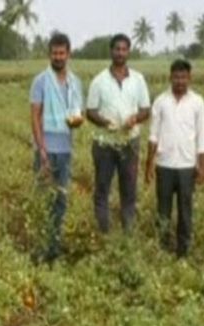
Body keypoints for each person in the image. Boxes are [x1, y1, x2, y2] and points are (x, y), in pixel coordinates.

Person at [86, 34, 151, 233]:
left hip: (129, 143)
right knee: (102, 189)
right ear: (111, 51)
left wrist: (135, 119)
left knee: (129, 191)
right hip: (104, 143)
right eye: (117, 49)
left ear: (128, 52)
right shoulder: (99, 81)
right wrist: (104, 122)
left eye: (124, 49)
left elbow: (146, 110)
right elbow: (90, 111)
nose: (120, 53)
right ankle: (103, 232)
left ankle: (127, 234)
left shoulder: (138, 80)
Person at [146, 59, 204, 257]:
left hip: (187, 166)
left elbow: (202, 137)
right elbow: (153, 136)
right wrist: (149, 165)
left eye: (183, 77)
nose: (180, 81)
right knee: (163, 210)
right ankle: (163, 249)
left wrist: (203, 166)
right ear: (170, 77)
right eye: (176, 77)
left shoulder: (197, 102)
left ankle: (183, 251)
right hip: (164, 165)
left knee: (185, 210)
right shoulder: (161, 101)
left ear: (189, 78)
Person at [30, 32, 84, 261]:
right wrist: (41, 149)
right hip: (46, 149)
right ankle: (41, 248)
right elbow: (35, 116)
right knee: (43, 199)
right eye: (55, 53)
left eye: (62, 53)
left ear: (68, 54)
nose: (58, 57)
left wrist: (77, 120)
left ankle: (54, 247)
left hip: (65, 149)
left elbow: (77, 114)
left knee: (60, 200)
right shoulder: (40, 81)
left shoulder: (75, 83)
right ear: (49, 54)